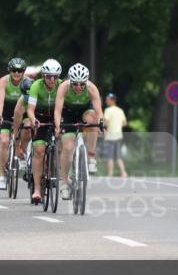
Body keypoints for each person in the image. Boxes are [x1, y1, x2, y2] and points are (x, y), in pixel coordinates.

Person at [53, 63, 103, 200]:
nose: (79, 87)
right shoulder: (63, 87)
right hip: (67, 113)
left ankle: (91, 157)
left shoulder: (92, 88)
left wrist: (100, 124)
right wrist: (58, 127)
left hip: (85, 110)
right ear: (70, 81)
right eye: (75, 84)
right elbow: (57, 111)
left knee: (93, 120)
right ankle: (64, 183)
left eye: (82, 84)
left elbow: (99, 111)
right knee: (68, 148)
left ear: (86, 82)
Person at [25, 58, 62, 205]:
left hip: (56, 117)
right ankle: (37, 190)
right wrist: (33, 120)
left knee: (66, 142)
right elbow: (30, 109)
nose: (52, 80)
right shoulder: (36, 86)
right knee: (39, 150)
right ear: (43, 76)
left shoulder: (61, 86)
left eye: (55, 77)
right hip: (40, 117)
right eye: (48, 76)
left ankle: (61, 172)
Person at [0, 57, 29, 190]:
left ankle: (21, 153)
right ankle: (2, 175)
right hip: (7, 111)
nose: (17, 73)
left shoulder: (27, 82)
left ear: (23, 72)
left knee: (28, 129)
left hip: (23, 110)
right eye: (14, 70)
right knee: (4, 141)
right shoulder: (4, 81)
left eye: (20, 71)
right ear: (9, 71)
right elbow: (1, 100)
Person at [103, 93, 128, 177]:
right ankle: (123, 172)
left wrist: (103, 128)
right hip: (119, 135)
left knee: (110, 156)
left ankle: (110, 173)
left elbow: (106, 123)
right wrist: (117, 125)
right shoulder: (120, 110)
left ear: (112, 100)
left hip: (111, 136)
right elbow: (124, 123)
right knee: (118, 156)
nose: (106, 102)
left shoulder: (108, 110)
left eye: (107, 100)